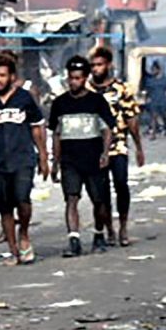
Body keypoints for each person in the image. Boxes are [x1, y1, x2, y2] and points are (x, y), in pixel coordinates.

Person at [0, 50, 47, 265]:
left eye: (2, 75)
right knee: (5, 208)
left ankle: (24, 234)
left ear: (12, 76)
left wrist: (43, 156)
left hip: (23, 159)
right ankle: (14, 252)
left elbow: (36, 128)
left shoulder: (25, 99)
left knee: (23, 201)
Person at [46, 55, 117, 256]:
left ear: (85, 78)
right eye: (71, 78)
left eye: (78, 78)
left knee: (99, 201)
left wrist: (105, 153)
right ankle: (74, 240)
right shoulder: (60, 104)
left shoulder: (97, 101)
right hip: (70, 160)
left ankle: (99, 234)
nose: (74, 82)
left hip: (94, 159)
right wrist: (55, 162)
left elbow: (107, 130)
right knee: (71, 199)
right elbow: (57, 134)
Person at [90, 44, 147, 246]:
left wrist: (139, 147)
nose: (96, 69)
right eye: (93, 65)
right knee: (101, 191)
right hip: (94, 148)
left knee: (121, 184)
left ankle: (123, 226)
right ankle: (109, 229)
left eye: (99, 64)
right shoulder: (87, 91)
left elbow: (131, 118)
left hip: (119, 145)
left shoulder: (121, 90)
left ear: (108, 65)